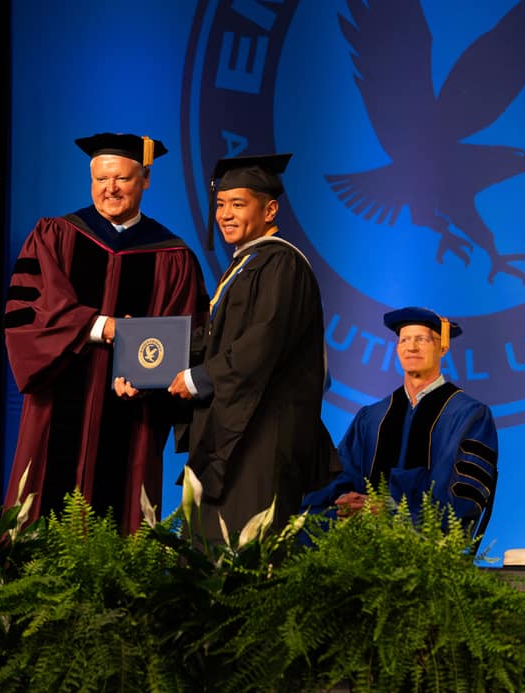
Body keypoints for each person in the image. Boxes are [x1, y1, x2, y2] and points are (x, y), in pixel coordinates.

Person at [3, 132, 207, 532]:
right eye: (101, 179)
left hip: (133, 414)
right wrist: (103, 327)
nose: (110, 189)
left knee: (121, 515)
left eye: (123, 179)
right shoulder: (55, 236)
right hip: (59, 400)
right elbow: (31, 311)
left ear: (145, 180)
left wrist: (151, 381)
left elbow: (187, 335)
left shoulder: (173, 255)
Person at [171, 153, 337, 533]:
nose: (225, 214)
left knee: (245, 550)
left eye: (238, 204)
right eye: (220, 205)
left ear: (270, 209)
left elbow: (260, 344)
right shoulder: (245, 264)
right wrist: (150, 358)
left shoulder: (281, 264)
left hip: (262, 437)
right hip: (241, 433)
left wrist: (198, 379)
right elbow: (216, 342)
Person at [300, 307, 498, 534]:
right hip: (360, 534)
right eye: (405, 340)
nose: (412, 347)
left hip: (427, 538)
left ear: (442, 347)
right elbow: (344, 472)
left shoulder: (469, 415)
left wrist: (394, 512)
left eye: (422, 339)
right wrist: (345, 499)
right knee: (300, 527)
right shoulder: (372, 416)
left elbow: (463, 498)